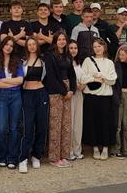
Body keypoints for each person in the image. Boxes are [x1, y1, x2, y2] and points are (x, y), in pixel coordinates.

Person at [43, 31, 76, 168]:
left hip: (67, 90)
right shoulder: (49, 55)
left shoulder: (67, 55)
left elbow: (72, 74)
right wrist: (64, 91)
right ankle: (54, 157)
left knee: (65, 124)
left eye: (64, 39)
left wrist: (72, 90)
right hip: (56, 90)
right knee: (55, 124)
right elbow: (51, 76)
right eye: (59, 39)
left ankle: (63, 155)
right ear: (55, 41)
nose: (62, 41)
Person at [80, 38, 117, 161]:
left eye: (99, 46)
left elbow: (112, 80)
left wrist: (101, 76)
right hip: (91, 97)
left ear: (104, 47)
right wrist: (94, 78)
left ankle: (105, 148)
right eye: (95, 47)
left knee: (105, 123)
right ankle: (95, 148)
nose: (97, 49)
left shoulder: (109, 62)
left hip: (105, 97)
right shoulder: (87, 61)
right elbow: (83, 77)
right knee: (92, 123)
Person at [19, 37, 49, 173]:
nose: (31, 46)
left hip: (41, 93)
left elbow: (46, 77)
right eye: (29, 44)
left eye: (33, 44)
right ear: (26, 46)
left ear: (37, 46)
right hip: (27, 94)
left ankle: (37, 155)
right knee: (27, 127)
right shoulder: (22, 62)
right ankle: (23, 158)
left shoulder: (43, 61)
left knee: (42, 126)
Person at [0, 37, 24, 170]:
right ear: (2, 45)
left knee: (13, 128)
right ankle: (1, 156)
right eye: (6, 44)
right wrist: (9, 82)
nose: (8, 47)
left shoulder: (16, 61)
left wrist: (3, 81)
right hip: (1, 96)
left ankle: (12, 158)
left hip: (16, 96)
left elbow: (20, 80)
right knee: (1, 128)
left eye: (11, 46)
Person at [68, 40, 85, 160]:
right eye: (71, 48)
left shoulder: (79, 63)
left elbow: (84, 78)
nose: (73, 50)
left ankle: (77, 149)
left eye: (75, 48)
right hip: (69, 94)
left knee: (78, 123)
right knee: (70, 123)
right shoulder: (65, 62)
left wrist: (82, 86)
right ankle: (68, 150)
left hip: (79, 94)